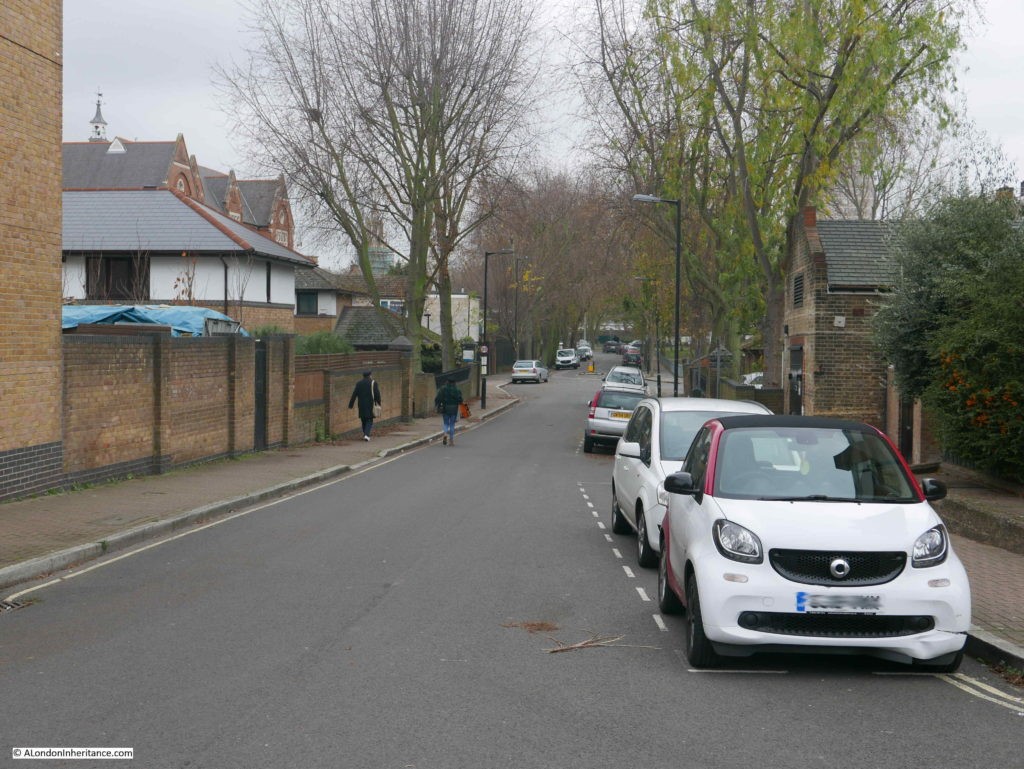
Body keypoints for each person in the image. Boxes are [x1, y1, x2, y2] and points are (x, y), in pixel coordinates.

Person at [348, 370, 381, 441]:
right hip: (370, 404)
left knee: (363, 420)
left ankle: (365, 434)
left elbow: (354, 394)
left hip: (361, 404)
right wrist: (378, 403)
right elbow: (377, 394)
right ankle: (366, 435)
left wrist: (351, 404)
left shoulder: (359, 383)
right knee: (369, 420)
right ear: (370, 375)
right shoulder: (373, 383)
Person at [434, 377, 464, 446]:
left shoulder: (443, 389)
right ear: (454, 382)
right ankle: (451, 440)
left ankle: (445, 434)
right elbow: (460, 400)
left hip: (445, 408)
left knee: (446, 423)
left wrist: (437, 404)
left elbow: (438, 398)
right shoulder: (457, 390)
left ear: (447, 382)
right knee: (452, 424)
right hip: (454, 409)